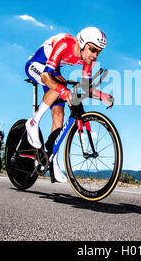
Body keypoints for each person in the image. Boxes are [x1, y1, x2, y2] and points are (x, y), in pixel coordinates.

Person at [25, 27, 114, 182]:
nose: (94, 55)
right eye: (92, 49)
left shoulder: (88, 60)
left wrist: (102, 96)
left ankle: (53, 161)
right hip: (36, 65)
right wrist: (63, 91)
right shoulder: (64, 42)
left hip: (53, 71)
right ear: (81, 43)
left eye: (98, 52)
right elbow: (46, 76)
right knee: (60, 84)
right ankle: (33, 122)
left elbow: (86, 87)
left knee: (60, 114)